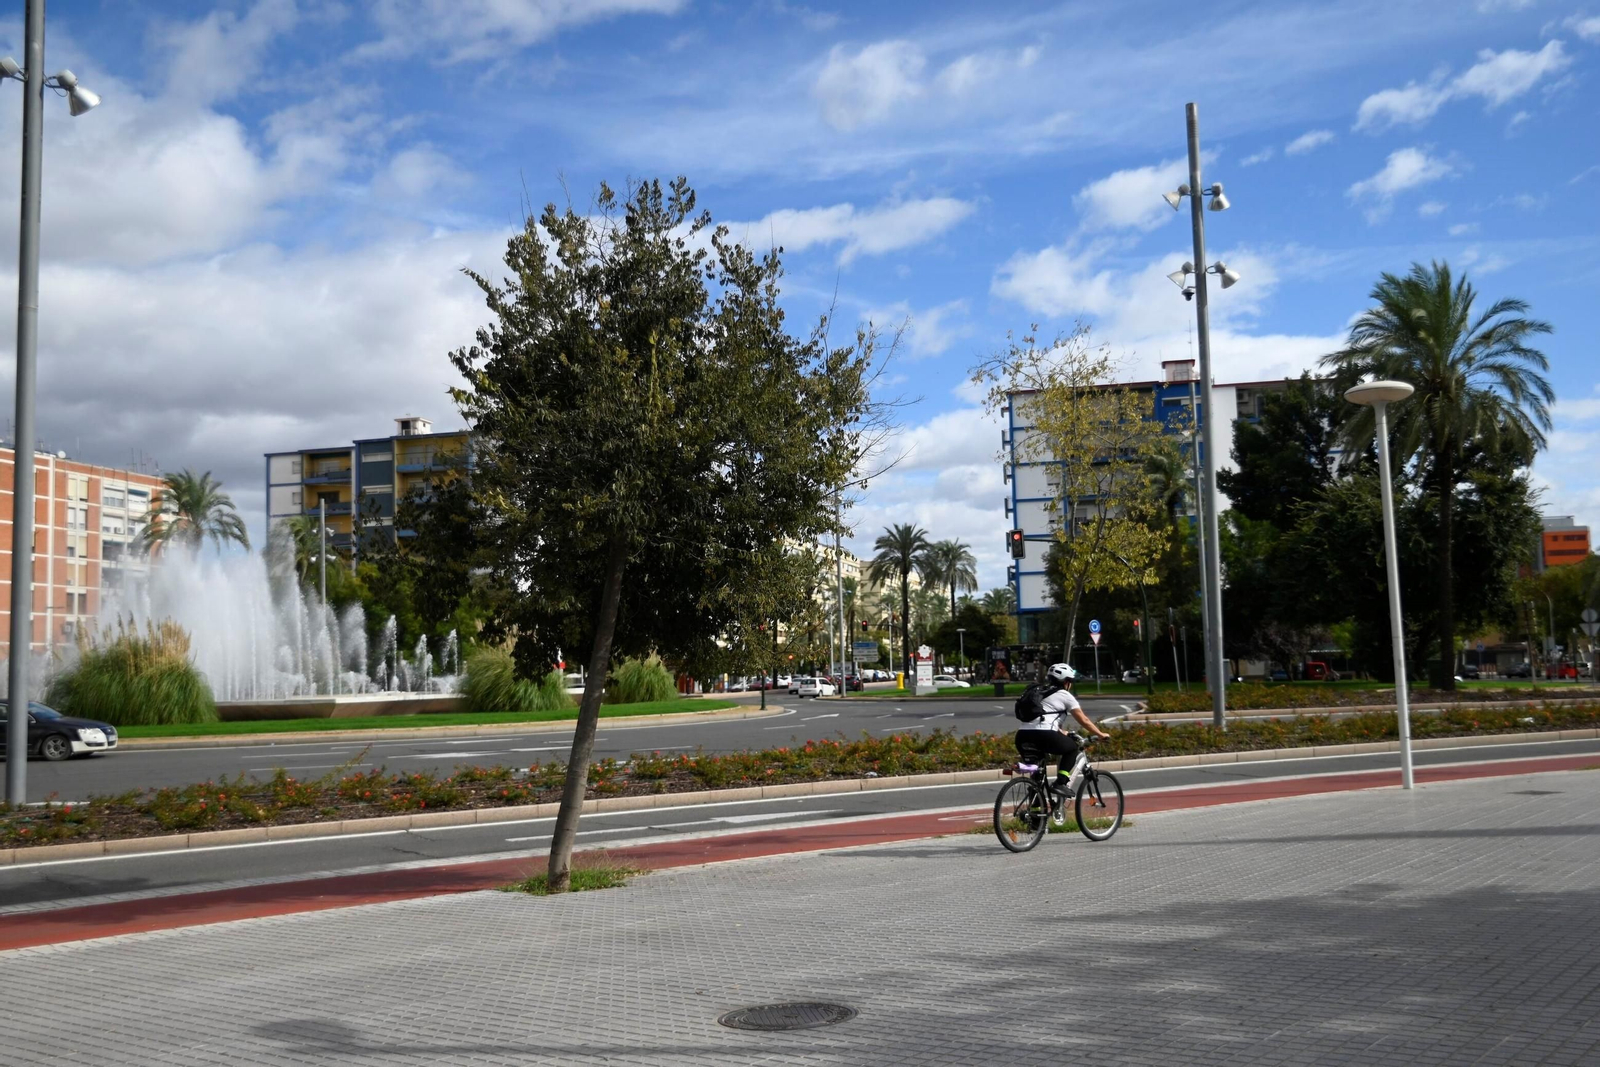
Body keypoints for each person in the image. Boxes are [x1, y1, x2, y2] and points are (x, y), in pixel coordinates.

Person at [1016, 662, 1111, 796]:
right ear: (1067, 682)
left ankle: (1036, 814)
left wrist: (1062, 732)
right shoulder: (1064, 695)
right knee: (1072, 748)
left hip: (1022, 735)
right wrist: (1100, 734)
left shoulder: (1039, 693)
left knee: (1037, 775)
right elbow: (1083, 720)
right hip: (1044, 735)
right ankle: (1061, 783)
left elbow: (1043, 717)